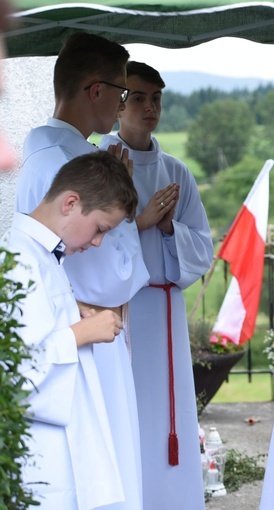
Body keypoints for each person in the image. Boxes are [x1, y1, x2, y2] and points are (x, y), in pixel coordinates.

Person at [14, 32, 148, 510]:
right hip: (80, 349)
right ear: (96, 89)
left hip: (76, 333)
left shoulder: (49, 154)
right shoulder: (67, 162)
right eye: (123, 92)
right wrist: (128, 217)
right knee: (100, 473)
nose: (124, 105)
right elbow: (115, 277)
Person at [99, 61, 212, 509]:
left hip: (164, 312)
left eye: (157, 98)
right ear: (118, 103)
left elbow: (202, 247)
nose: (151, 108)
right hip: (120, 313)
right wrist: (141, 221)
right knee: (128, 412)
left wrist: (169, 231)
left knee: (169, 417)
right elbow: (88, 242)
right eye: (140, 98)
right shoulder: (102, 164)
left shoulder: (176, 171)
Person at [2, 151, 138, 509]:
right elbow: (13, 372)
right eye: (100, 229)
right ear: (71, 203)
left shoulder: (43, 257)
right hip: (39, 455)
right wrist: (83, 333)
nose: (96, 243)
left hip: (62, 448)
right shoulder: (16, 259)